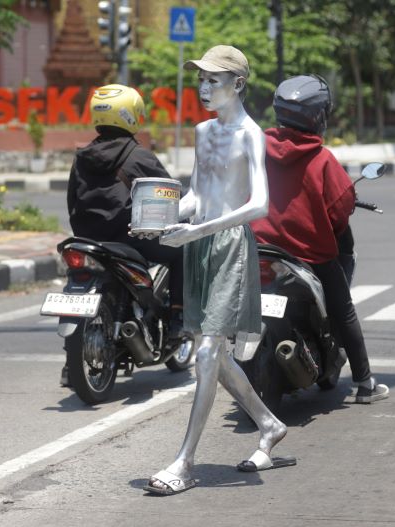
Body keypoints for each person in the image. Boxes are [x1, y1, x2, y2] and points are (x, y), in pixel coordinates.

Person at [144, 45, 293, 496]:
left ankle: (184, 462)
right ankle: (269, 424)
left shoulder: (251, 134)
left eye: (214, 79)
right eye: (201, 79)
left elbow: (259, 204)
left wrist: (198, 228)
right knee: (216, 353)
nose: (204, 87)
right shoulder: (202, 131)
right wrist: (164, 216)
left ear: (238, 84)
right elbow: (196, 193)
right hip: (199, 244)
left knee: (208, 352)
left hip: (229, 245)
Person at [250, 74, 389, 404]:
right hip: (310, 257)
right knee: (344, 309)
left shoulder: (256, 150)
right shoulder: (322, 159)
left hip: (260, 252)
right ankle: (365, 383)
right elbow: (340, 212)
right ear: (318, 116)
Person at [62, 84, 184, 385]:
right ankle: (179, 320)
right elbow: (169, 196)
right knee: (182, 254)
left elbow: (71, 201)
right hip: (131, 240)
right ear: (132, 115)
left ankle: (71, 362)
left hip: (89, 241)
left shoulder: (82, 156)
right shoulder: (139, 156)